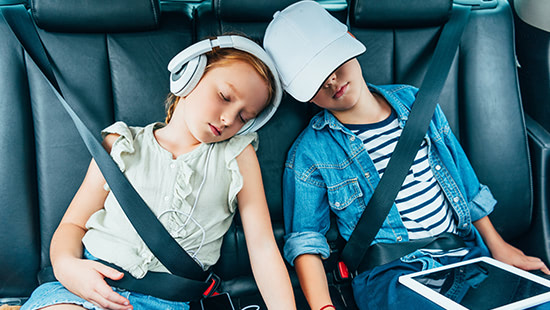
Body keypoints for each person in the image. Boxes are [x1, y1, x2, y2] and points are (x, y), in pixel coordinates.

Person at [262, 1, 550, 309]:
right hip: (391, 273)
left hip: (465, 255)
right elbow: (306, 241)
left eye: (332, 64)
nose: (331, 81)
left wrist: (499, 247)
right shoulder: (311, 152)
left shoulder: (416, 102)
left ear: (351, 43)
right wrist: (324, 306)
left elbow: (464, 183)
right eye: (316, 81)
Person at [21, 35, 296, 310]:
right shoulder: (121, 145)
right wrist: (67, 266)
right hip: (83, 289)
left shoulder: (236, 157)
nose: (228, 119)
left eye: (243, 118)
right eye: (224, 97)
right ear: (190, 74)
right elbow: (72, 225)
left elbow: (262, 248)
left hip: (165, 301)